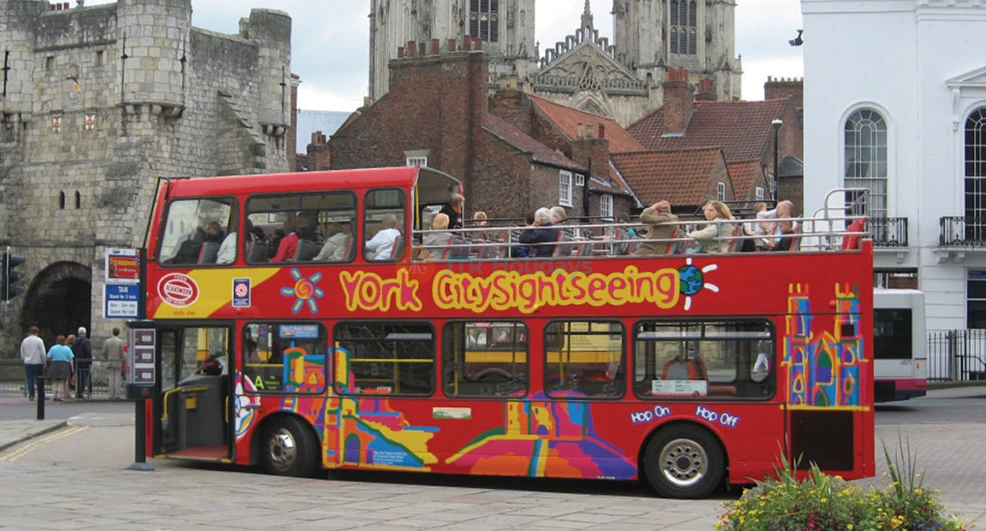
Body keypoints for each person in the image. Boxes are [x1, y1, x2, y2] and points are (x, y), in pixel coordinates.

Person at [20, 326, 46, 401]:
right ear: (36, 333)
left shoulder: (25, 341)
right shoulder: (39, 340)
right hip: (37, 362)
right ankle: (41, 394)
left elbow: (22, 351)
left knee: (30, 379)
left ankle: (31, 395)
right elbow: (42, 352)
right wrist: (44, 361)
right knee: (39, 379)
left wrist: (24, 359)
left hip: (28, 362)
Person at [46, 335, 75, 402]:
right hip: (64, 365)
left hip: (54, 365)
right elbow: (71, 359)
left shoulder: (53, 348)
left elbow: (48, 357)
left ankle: (54, 395)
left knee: (54, 381)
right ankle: (60, 396)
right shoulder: (67, 348)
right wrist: (72, 368)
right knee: (62, 382)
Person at [103, 327, 126, 400]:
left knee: (111, 379)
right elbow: (122, 353)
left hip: (110, 361)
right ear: (118, 332)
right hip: (118, 362)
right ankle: (117, 394)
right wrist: (123, 359)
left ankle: (110, 394)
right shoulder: (120, 342)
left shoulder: (107, 341)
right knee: (117, 379)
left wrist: (107, 358)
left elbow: (104, 352)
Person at [73, 327, 92, 399]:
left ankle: (78, 392)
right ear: (85, 333)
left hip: (77, 361)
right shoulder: (86, 342)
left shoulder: (75, 341)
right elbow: (88, 352)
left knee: (78, 378)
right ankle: (81, 392)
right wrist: (89, 362)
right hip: (84, 362)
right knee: (83, 379)